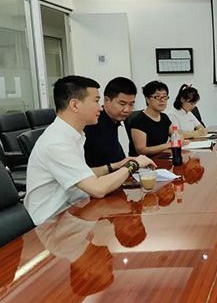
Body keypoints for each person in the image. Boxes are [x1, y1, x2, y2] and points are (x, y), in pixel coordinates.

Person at [24, 75, 155, 225]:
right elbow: (97, 189)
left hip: (76, 212)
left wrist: (116, 166)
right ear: (74, 105)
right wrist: (133, 165)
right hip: (52, 224)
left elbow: (83, 176)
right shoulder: (57, 143)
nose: (100, 107)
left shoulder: (74, 135)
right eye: (96, 101)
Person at [84, 77, 137, 170]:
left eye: (131, 104)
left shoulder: (116, 120)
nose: (127, 110)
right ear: (106, 100)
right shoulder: (93, 123)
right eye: (122, 104)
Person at [129, 80, 177, 156]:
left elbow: (175, 134)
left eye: (165, 96)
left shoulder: (164, 117)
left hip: (161, 157)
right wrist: (169, 145)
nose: (162, 100)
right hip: (144, 161)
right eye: (157, 97)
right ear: (147, 99)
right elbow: (141, 150)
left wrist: (178, 137)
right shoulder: (138, 121)